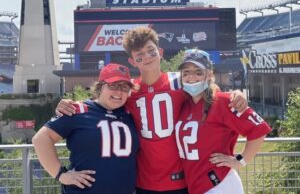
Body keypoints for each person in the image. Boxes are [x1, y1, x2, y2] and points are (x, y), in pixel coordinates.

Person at [55, 27, 248, 194]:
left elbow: (209, 92)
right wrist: (70, 104)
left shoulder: (179, 82)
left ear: (160, 51)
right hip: (144, 181)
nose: (146, 57)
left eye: (150, 51)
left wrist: (237, 93)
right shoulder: (130, 92)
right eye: (140, 55)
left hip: (181, 179)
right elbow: (104, 100)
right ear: (133, 61)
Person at [175, 49, 272, 194]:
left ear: (209, 74)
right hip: (196, 185)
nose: (191, 77)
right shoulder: (185, 104)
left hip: (219, 184)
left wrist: (240, 160)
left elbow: (259, 129)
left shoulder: (224, 101)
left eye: (198, 72)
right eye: (186, 72)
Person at [32, 63, 139, 194]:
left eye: (124, 87)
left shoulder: (131, 113)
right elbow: (41, 139)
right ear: (100, 87)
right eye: (113, 86)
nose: (119, 92)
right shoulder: (77, 110)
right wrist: (61, 175)